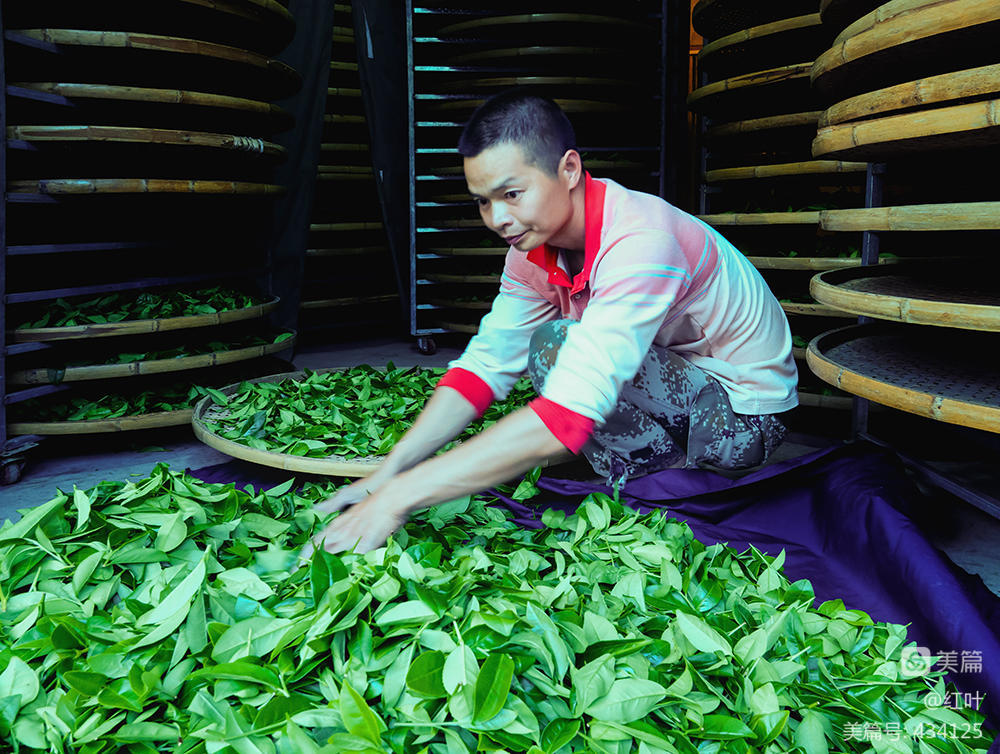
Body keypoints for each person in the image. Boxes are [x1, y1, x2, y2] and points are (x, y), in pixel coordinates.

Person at [304, 89, 798, 556]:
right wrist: (390, 469)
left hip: (739, 416)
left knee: (560, 348)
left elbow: (570, 409)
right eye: (482, 200)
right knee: (552, 350)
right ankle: (656, 482)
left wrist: (400, 498)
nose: (497, 218)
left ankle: (675, 487)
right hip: (677, 389)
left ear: (568, 169)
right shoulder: (529, 248)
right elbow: (485, 368)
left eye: (512, 193)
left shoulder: (642, 241)